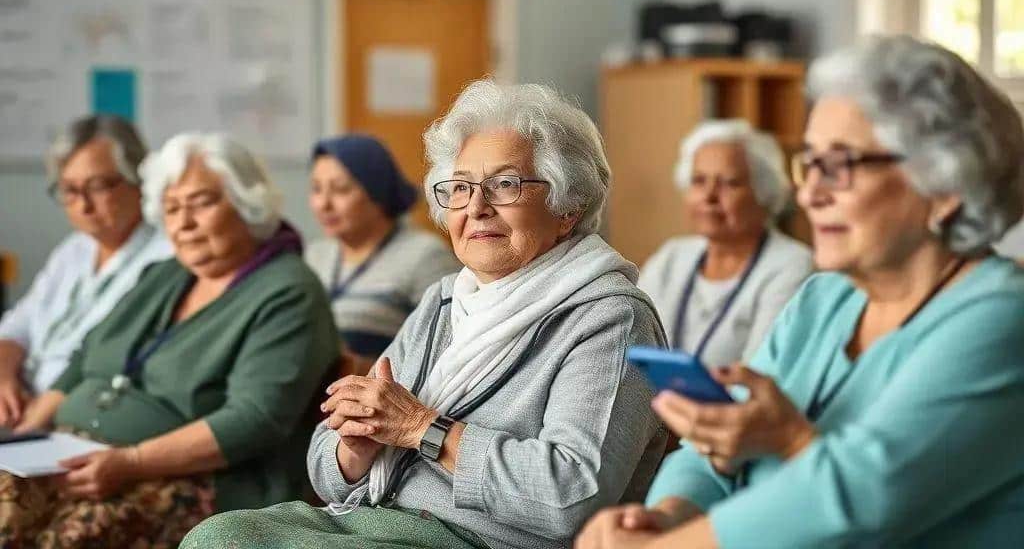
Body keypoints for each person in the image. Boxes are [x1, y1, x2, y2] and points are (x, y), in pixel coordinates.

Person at [576, 35, 1024, 549]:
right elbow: (713, 446)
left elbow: (859, 496)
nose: (810, 192)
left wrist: (667, 546)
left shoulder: (1001, 319)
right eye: (808, 163)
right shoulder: (821, 300)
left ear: (944, 186)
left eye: (840, 165)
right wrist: (668, 516)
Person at [182, 80, 668, 549]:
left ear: (568, 207)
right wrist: (356, 445)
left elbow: (571, 494)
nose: (475, 207)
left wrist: (423, 429)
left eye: (505, 184)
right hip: (374, 519)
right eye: (460, 188)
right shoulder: (445, 300)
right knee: (214, 536)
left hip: (479, 541)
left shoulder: (609, 319)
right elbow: (325, 469)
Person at [0, 133, 337, 548]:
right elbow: (87, 356)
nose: (183, 223)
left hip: (194, 481)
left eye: (201, 203)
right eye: (172, 208)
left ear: (247, 203)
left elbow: (254, 419)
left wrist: (130, 462)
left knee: (63, 537)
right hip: (75, 451)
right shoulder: (164, 273)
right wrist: (28, 431)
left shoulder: (289, 290)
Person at [0, 115, 172, 426]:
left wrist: (33, 419)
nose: (83, 205)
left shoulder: (168, 257)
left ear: (139, 180)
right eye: (69, 190)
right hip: (20, 407)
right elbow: (16, 327)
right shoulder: (75, 249)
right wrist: (3, 379)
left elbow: (103, 364)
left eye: (97, 186)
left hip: (73, 417)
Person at [638, 120, 813, 367]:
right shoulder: (671, 257)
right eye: (698, 181)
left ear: (764, 192)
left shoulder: (791, 265)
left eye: (729, 183)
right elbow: (629, 346)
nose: (708, 196)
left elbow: (760, 372)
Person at [306, 135, 460, 375]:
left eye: (341, 190)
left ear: (377, 192)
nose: (323, 203)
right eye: (316, 189)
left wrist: (357, 368)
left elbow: (448, 352)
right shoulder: (315, 254)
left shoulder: (425, 255)